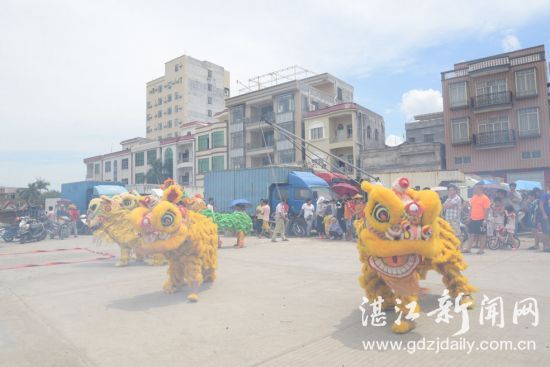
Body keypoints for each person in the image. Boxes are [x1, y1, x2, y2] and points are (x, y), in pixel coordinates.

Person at [463, 185, 491, 254]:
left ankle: (481, 250)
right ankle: (468, 248)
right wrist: (469, 217)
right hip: (473, 219)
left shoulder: (485, 198)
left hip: (481, 219)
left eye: (475, 189)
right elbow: (471, 208)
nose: (474, 191)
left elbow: (486, 210)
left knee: (482, 234)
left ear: (480, 189)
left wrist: (485, 219)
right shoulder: (474, 197)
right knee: (471, 234)